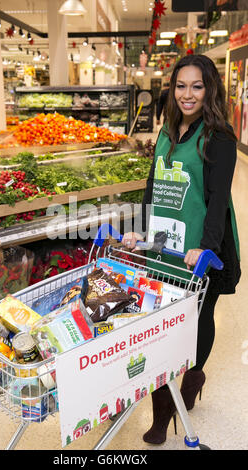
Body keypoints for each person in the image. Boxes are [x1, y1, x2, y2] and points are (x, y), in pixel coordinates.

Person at [122, 54, 241, 445]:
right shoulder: (166, 131)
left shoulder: (219, 136)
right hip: (164, 243)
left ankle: (191, 377)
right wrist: (139, 231)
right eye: (181, 86)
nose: (187, 94)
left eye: (197, 86)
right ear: (171, 90)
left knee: (198, 318)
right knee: (160, 324)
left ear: (209, 90)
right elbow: (152, 188)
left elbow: (219, 197)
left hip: (202, 244)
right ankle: (163, 404)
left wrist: (205, 248)